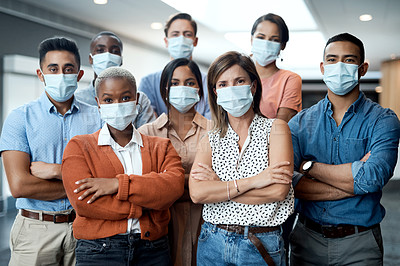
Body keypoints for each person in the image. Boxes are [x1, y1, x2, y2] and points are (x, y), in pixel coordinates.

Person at [288, 33, 400, 265]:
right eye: (332, 59)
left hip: (360, 243)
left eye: (348, 60)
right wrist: (354, 183)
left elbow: (372, 178)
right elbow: (289, 184)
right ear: (322, 67)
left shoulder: (383, 120)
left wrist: (310, 167)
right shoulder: (299, 124)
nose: (339, 66)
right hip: (307, 240)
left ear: (363, 68)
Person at [62, 67, 185, 265]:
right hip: (99, 251)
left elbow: (173, 187)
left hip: (152, 250)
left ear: (136, 99)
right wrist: (148, 204)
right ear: (98, 103)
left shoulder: (160, 147)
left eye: (125, 97)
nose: (117, 105)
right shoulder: (79, 146)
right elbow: (83, 203)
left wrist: (117, 185)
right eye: (109, 100)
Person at [0, 37, 102, 266]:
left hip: (86, 228)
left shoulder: (97, 118)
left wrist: (57, 171)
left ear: (79, 75)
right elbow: (20, 186)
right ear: (41, 74)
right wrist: (85, 184)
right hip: (36, 230)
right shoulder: (20, 118)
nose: (61, 75)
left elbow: (110, 174)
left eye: (68, 69)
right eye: (53, 69)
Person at [189, 51, 294, 265]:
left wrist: (220, 188)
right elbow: (198, 194)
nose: (232, 89)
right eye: (223, 84)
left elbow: (278, 191)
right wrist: (255, 181)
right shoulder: (209, 139)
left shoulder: (277, 129)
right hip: (213, 240)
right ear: (215, 92)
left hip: (259, 241)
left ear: (253, 86)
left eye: (239, 81)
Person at [138, 58, 212, 266]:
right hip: (162, 228)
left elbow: (223, 182)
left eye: (190, 83)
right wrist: (199, 183)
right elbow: (147, 187)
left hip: (207, 226)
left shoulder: (216, 131)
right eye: (175, 83)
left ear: (199, 89)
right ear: (165, 90)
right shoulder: (147, 134)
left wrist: (169, 181)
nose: (183, 88)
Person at [75, 31, 156, 128]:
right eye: (100, 50)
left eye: (114, 51)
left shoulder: (140, 99)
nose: (108, 56)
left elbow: (149, 137)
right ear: (90, 59)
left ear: (121, 60)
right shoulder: (78, 100)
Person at [138, 13, 210, 119]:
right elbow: (147, 122)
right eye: (175, 34)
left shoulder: (209, 82)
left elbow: (212, 124)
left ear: (195, 41)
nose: (181, 39)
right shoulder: (148, 82)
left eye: (187, 34)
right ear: (166, 41)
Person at [251, 13, 302, 122]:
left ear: (283, 45)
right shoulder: (237, 76)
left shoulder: (289, 79)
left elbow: (280, 127)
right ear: (252, 39)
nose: (266, 44)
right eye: (260, 37)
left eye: (274, 40)